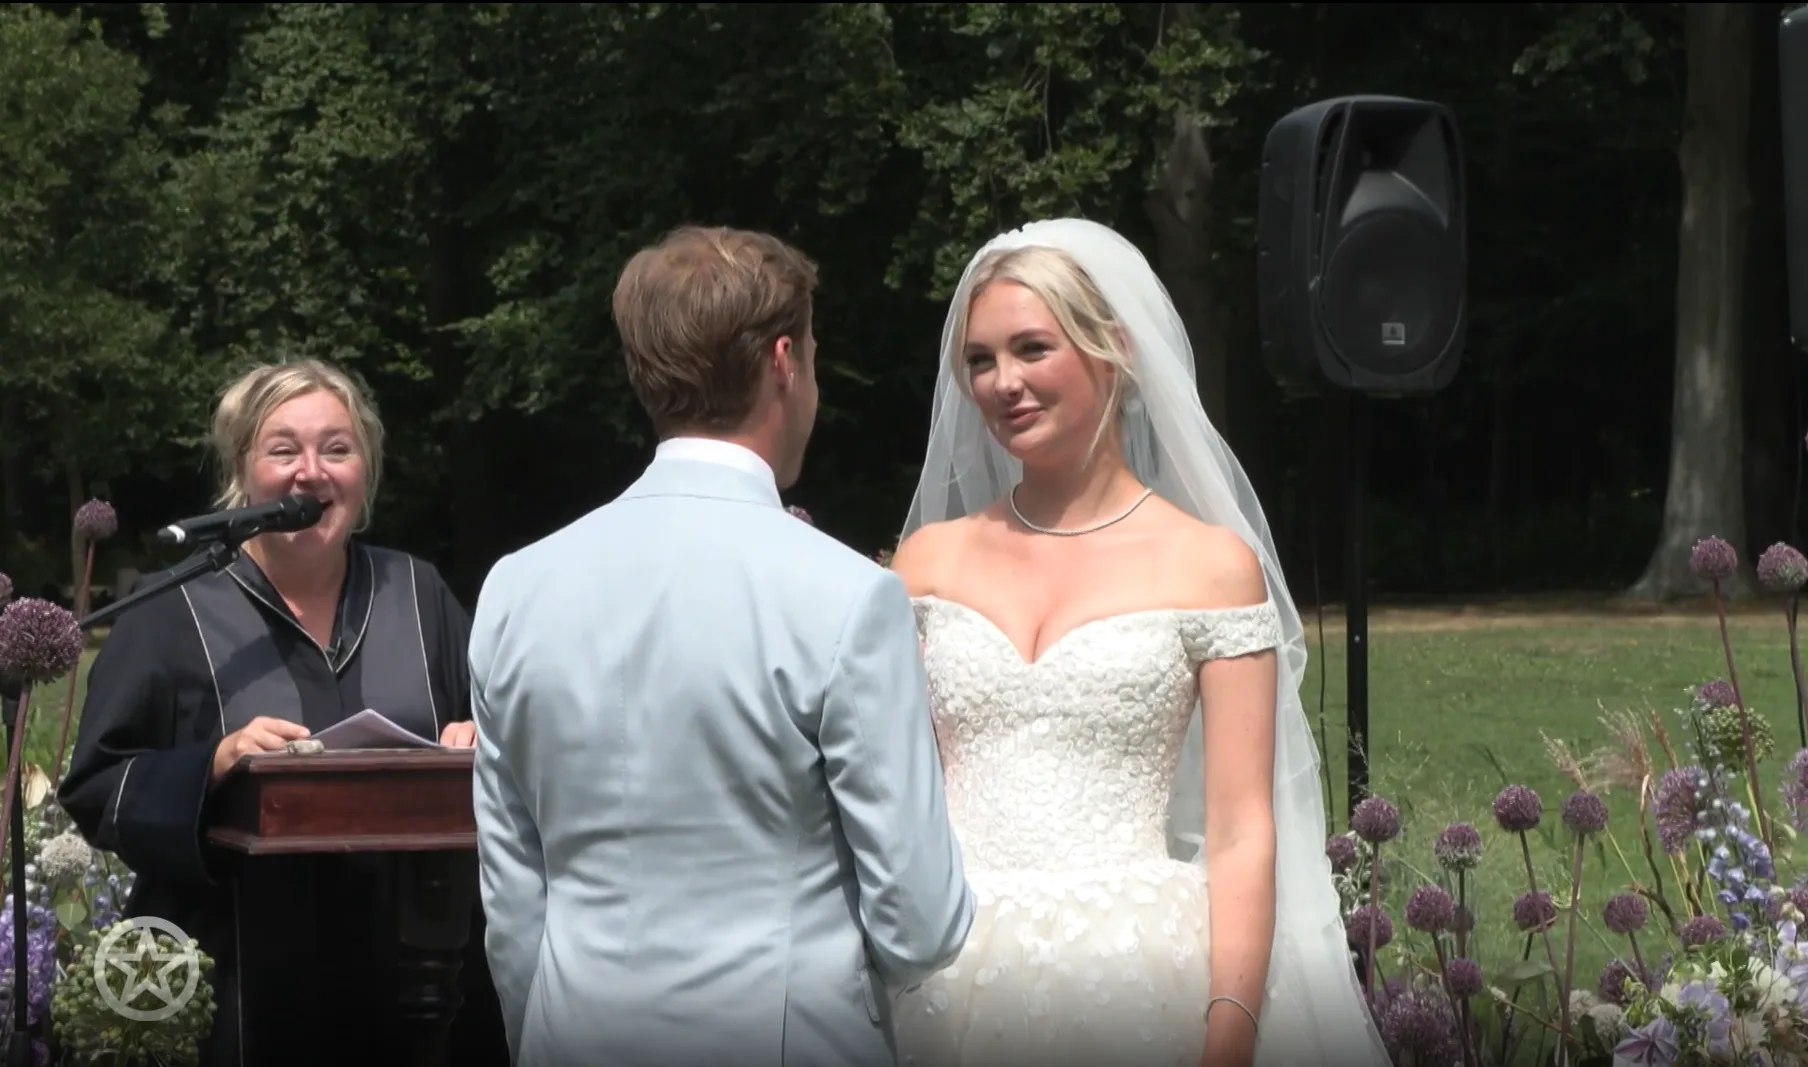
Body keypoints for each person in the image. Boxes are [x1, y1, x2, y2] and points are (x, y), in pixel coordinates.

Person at [887, 219, 1393, 1067]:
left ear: (1113, 350)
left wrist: (1228, 1030)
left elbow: (1239, 826)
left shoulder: (1208, 565)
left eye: (1031, 348)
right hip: (945, 969)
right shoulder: (928, 563)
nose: (1003, 382)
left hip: (1134, 969)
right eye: (980, 360)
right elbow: (898, 796)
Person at [469, 225, 975, 1067]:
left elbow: (514, 894)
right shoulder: (848, 594)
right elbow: (920, 923)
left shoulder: (516, 588)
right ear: (784, 360)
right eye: (812, 355)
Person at [57, 358, 508, 1067]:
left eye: (337, 448)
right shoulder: (172, 609)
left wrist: (481, 737)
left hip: (418, 984)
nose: (311, 472)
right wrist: (211, 764)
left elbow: (500, 740)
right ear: (243, 468)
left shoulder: (419, 595)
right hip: (235, 988)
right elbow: (95, 785)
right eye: (283, 450)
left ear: (366, 471)